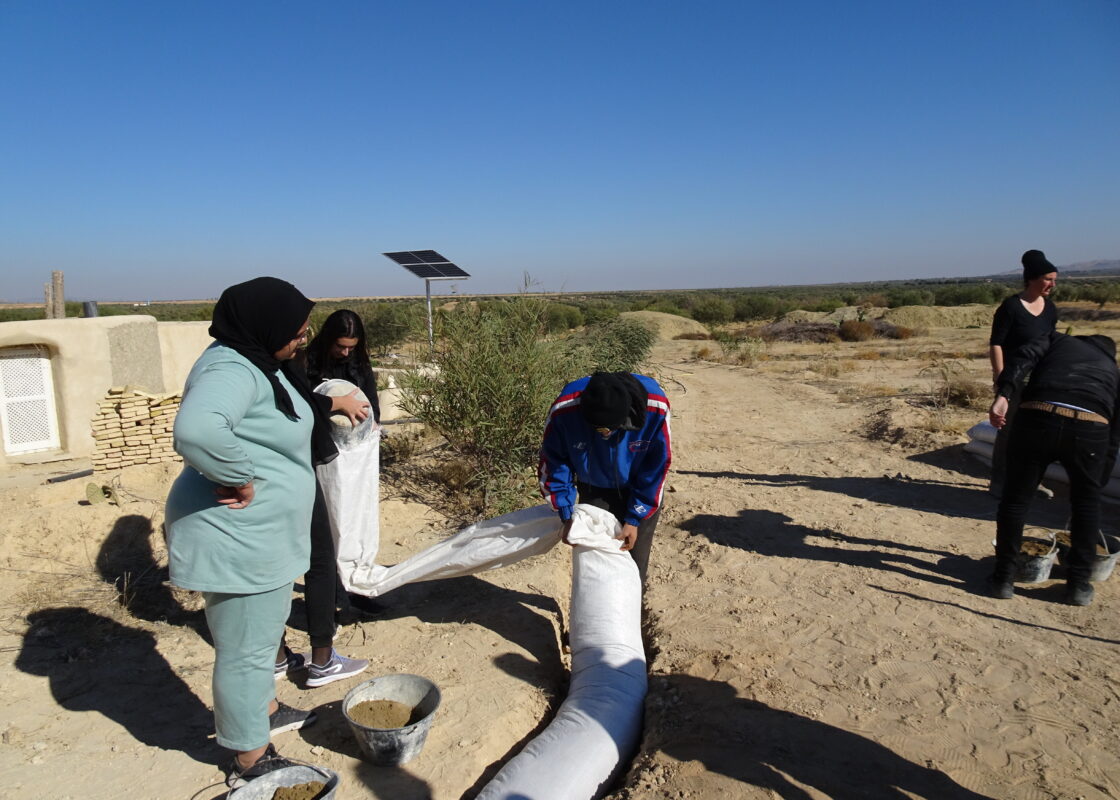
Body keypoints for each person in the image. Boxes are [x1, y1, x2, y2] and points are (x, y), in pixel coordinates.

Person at [166, 277, 337, 786]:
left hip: (261, 535)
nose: (302, 340)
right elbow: (198, 429)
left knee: (260, 638)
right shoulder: (229, 367)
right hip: (238, 534)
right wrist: (237, 474)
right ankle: (250, 758)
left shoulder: (257, 361)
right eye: (297, 331)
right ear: (263, 324)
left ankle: (260, 710)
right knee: (245, 649)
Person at [274, 310, 378, 684]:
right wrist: (336, 405)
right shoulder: (298, 365)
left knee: (355, 522)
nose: (346, 354)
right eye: (340, 346)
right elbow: (303, 410)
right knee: (322, 542)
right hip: (315, 460)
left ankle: (356, 590)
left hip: (353, 458)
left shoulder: (359, 365)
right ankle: (324, 633)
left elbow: (371, 407)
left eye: (352, 347)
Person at [987, 331, 1120, 606]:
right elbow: (1114, 436)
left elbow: (1022, 356)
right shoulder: (1113, 371)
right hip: (1090, 427)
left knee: (1016, 499)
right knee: (1085, 505)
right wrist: (1096, 482)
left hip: (1038, 416)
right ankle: (1078, 586)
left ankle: (1003, 579)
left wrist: (1005, 392)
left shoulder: (1056, 340)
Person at [539, 371, 671, 584]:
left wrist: (635, 517)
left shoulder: (655, 407)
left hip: (641, 487)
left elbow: (656, 466)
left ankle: (631, 611)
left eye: (611, 429)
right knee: (596, 558)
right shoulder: (564, 411)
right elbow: (554, 463)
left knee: (634, 557)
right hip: (594, 486)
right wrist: (566, 513)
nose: (605, 435)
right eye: (598, 430)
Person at [987, 249, 1059, 495]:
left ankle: (1030, 480)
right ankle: (999, 482)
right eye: (1048, 279)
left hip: (1041, 379)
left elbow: (1052, 342)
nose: (1052, 284)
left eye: (1054, 280)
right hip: (1014, 378)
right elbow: (996, 343)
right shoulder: (1011, 307)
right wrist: (1000, 377)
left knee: (1037, 433)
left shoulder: (1050, 309)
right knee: (1009, 431)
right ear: (1032, 279)